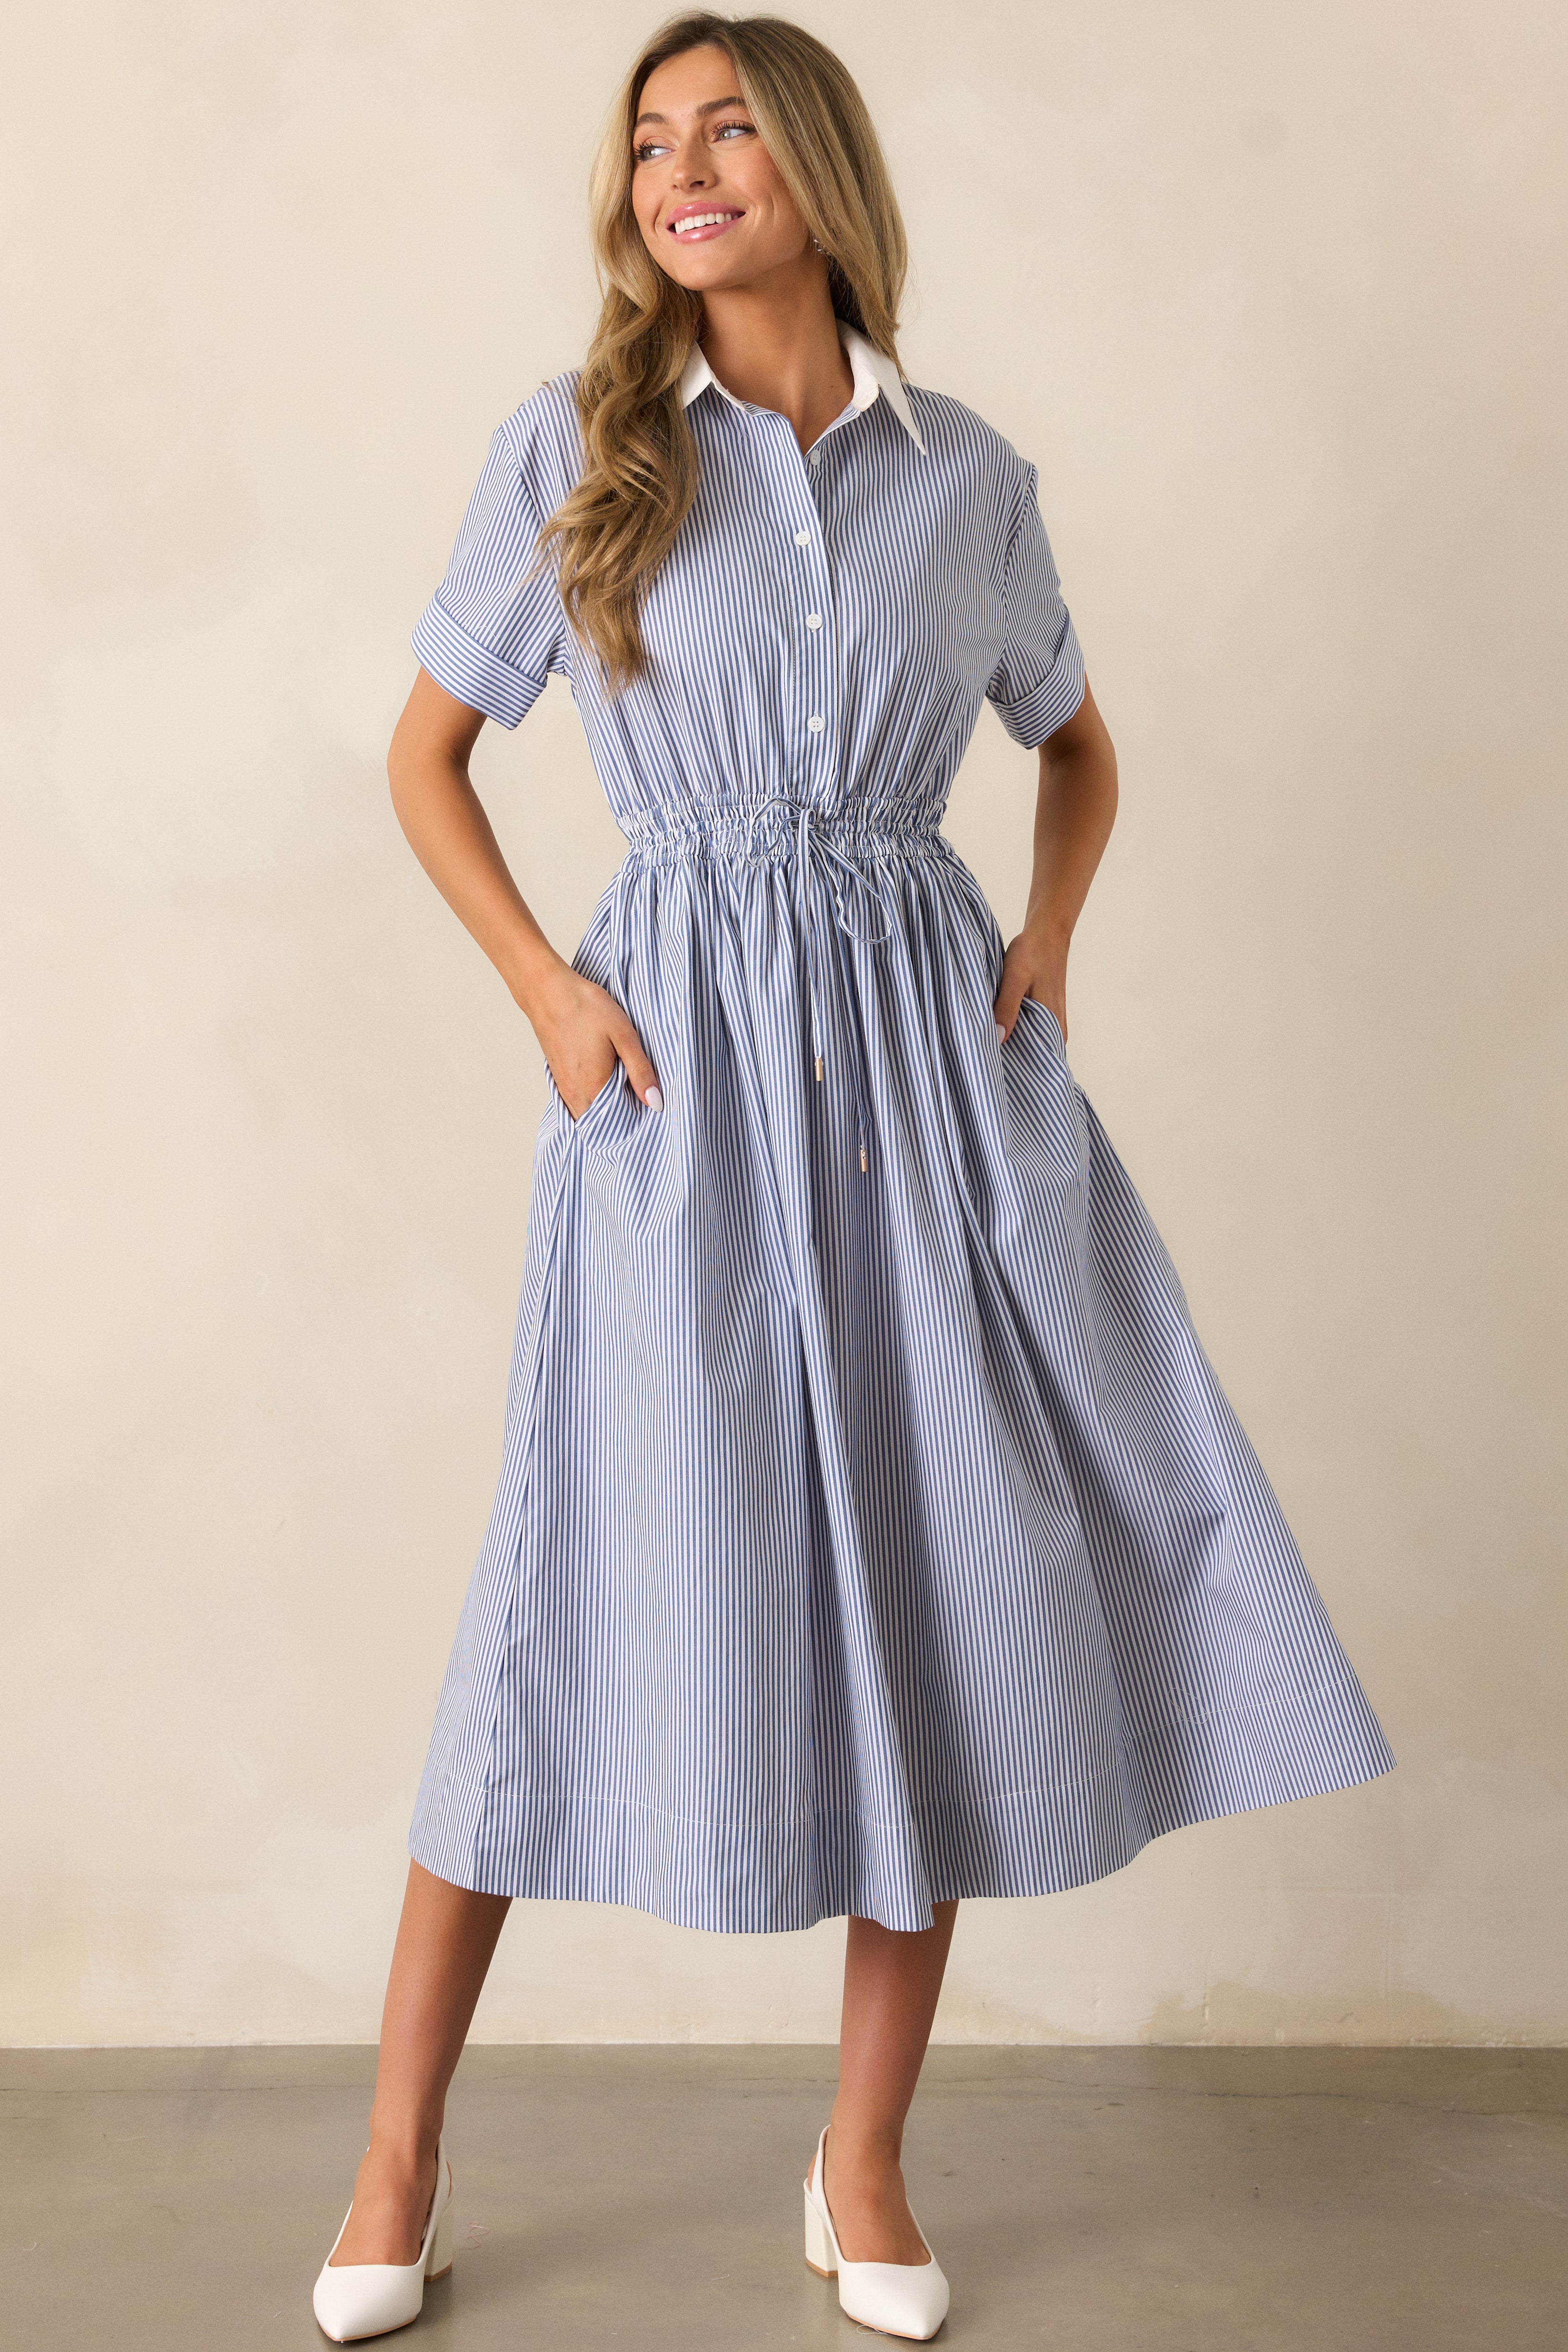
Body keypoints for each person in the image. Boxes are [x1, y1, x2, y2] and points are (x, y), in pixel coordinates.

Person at [311, 12, 1397, 2342]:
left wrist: (1049, 940)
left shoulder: (969, 474)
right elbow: (422, 758)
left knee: (943, 1571)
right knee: (563, 1581)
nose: (681, 168)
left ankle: (862, 2158)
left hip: (927, 1071)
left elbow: (1078, 743)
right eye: (648, 141)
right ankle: (397, 2146)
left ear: (814, 165)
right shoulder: (575, 443)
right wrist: (547, 993)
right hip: (676, 1075)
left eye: (725, 128)